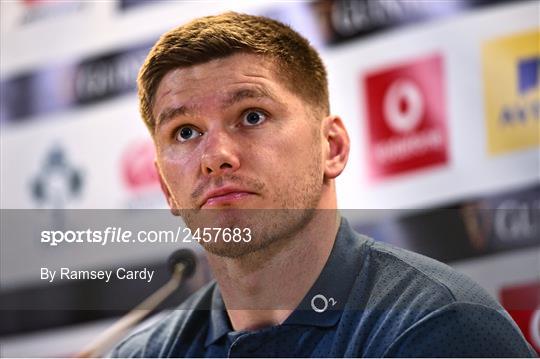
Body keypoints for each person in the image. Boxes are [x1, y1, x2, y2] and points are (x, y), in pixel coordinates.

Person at [110, 12, 536, 357]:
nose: (216, 155)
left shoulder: (439, 329)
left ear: (331, 147)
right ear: (166, 188)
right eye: (186, 132)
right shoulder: (143, 353)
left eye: (252, 116)